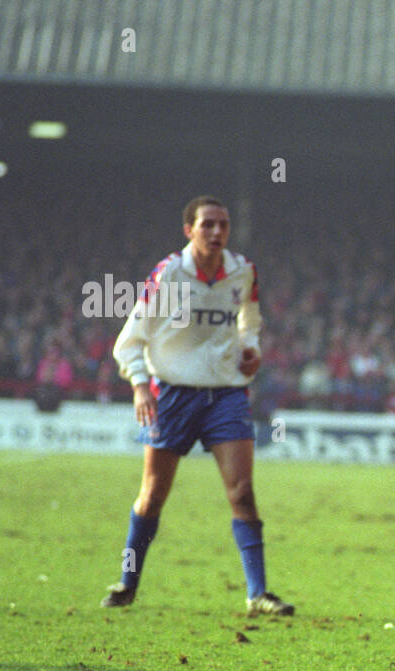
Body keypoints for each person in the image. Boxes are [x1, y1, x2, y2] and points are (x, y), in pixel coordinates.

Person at [102, 196, 293, 615]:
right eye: (207, 224)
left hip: (226, 394)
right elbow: (129, 340)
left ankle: (258, 593)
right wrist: (139, 386)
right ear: (189, 230)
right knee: (152, 496)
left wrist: (251, 348)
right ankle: (128, 583)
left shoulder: (243, 271)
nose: (216, 232)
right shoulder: (169, 273)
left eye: (222, 224)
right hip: (171, 394)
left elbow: (251, 321)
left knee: (242, 492)